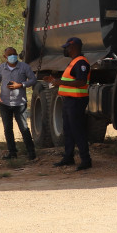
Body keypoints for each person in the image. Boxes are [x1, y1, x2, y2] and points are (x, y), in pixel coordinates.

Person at [52, 37, 92, 170]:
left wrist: (60, 82)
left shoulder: (81, 62)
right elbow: (69, 80)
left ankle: (86, 160)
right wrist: (56, 81)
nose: (65, 50)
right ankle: (68, 157)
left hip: (77, 101)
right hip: (69, 100)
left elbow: (81, 82)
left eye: (67, 48)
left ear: (73, 47)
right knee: (68, 130)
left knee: (77, 130)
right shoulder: (74, 61)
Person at [0, 46, 37, 162]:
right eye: (10, 54)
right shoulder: (1, 68)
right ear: (5, 57)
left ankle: (31, 152)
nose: (13, 56)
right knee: (8, 129)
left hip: (19, 103)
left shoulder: (24, 67)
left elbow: (33, 80)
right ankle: (12, 153)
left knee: (24, 128)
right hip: (5, 103)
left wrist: (20, 85)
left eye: (14, 54)